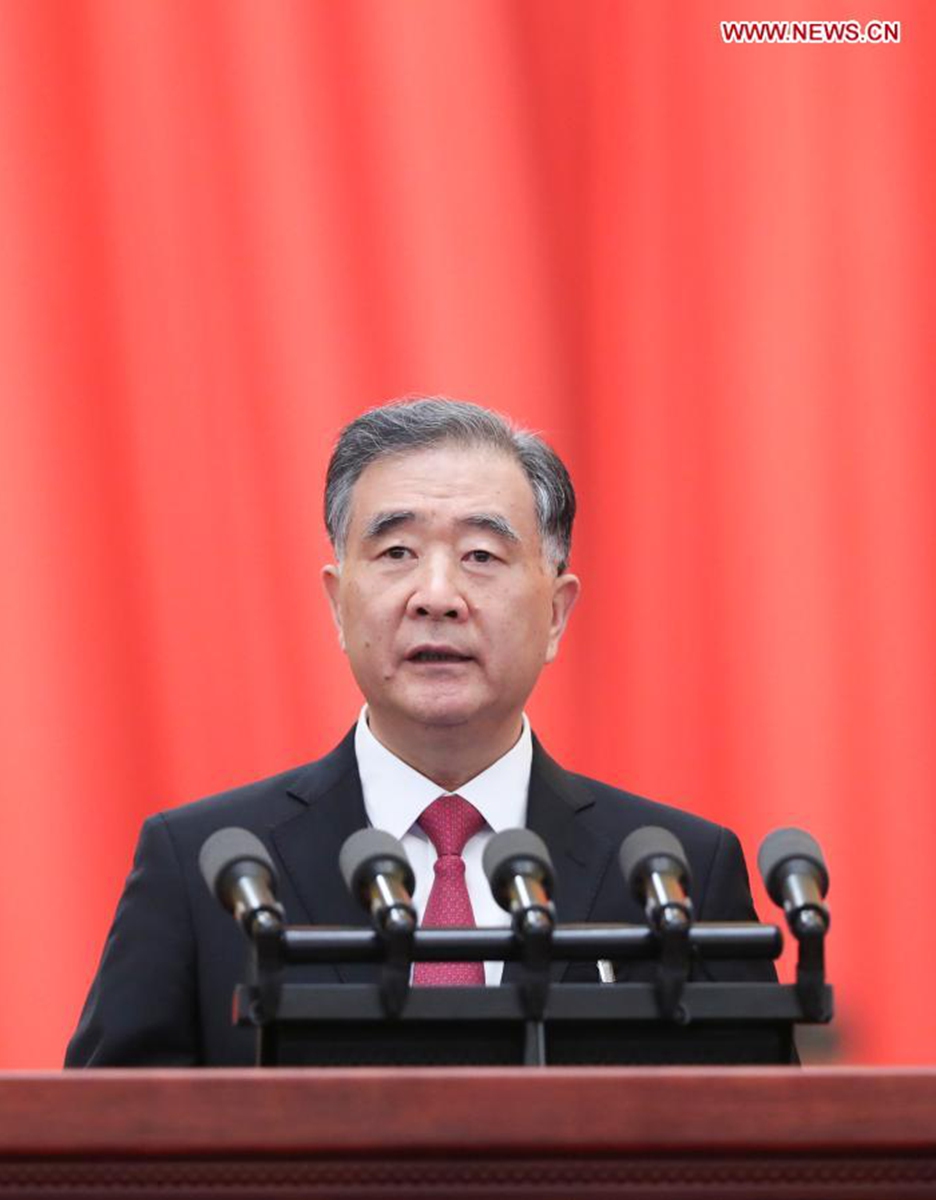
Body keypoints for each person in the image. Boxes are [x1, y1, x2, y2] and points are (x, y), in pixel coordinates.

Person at [66, 397, 775, 1067]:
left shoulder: (679, 874)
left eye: (482, 557)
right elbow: (102, 1155)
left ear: (557, 613)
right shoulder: (202, 868)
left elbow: (765, 1160)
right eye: (397, 552)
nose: (437, 596)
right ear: (337, 604)